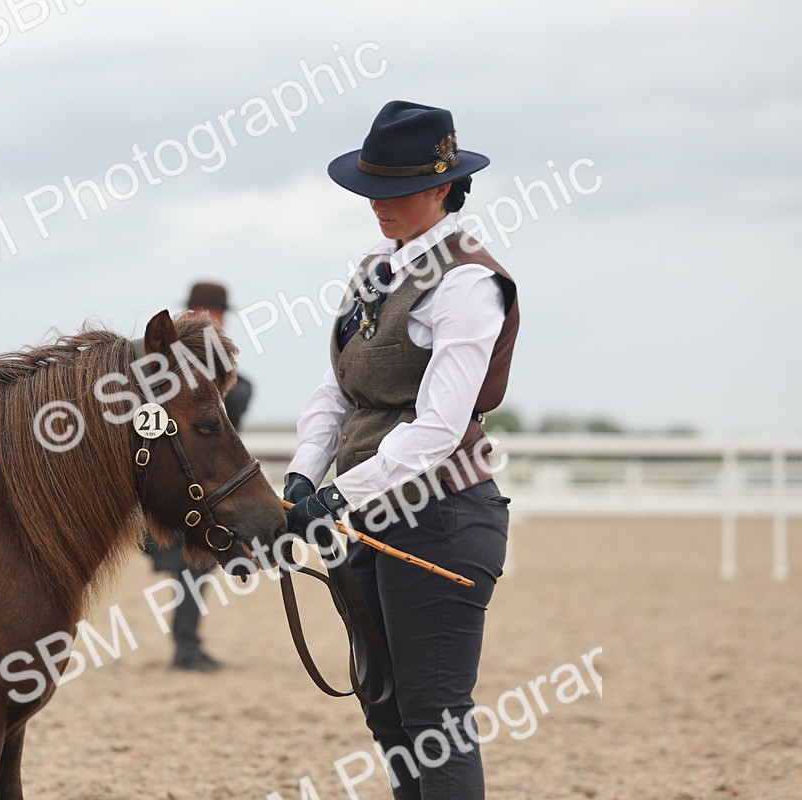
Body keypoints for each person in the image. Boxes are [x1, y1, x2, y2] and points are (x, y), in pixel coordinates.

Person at [283, 101, 519, 798]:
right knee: (386, 711)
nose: (378, 205)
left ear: (443, 187)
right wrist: (301, 476)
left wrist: (336, 495)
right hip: (370, 518)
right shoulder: (373, 273)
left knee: (435, 717)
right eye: (372, 189)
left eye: (396, 190)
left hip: (440, 519)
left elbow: (438, 426)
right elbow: (337, 390)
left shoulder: (470, 283)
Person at [146, 281, 253, 672]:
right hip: (181, 484)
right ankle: (186, 647)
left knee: (195, 566)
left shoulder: (218, 371)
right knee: (191, 565)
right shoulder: (173, 368)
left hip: (203, 482)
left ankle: (187, 644)